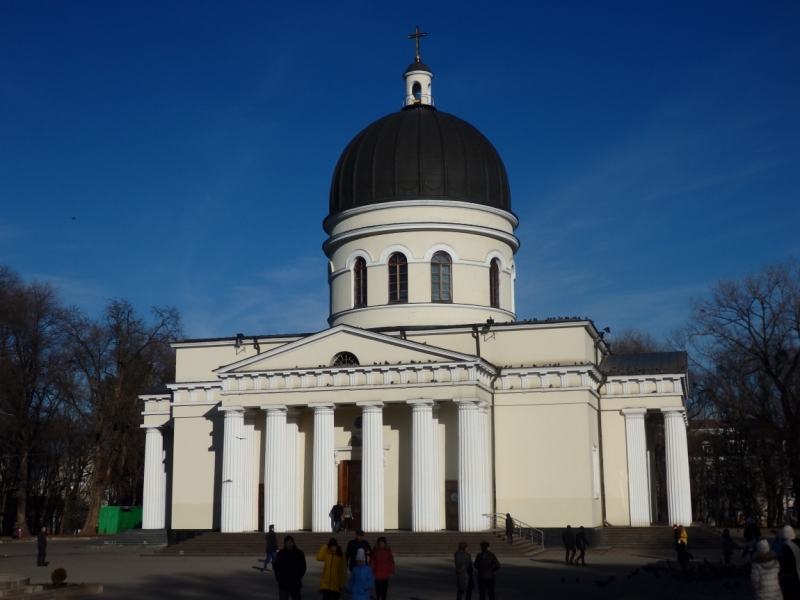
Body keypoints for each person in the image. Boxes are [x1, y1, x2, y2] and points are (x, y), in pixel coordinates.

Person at [274, 535, 307, 600]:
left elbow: (303, 567)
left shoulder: (299, 553)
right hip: (283, 584)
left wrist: (298, 578)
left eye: (291, 542)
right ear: (285, 544)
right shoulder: (281, 554)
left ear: (293, 543)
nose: (289, 544)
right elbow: (277, 567)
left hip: (295, 584)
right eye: (287, 542)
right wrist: (279, 579)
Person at [369, 536, 395, 600]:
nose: (381, 545)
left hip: (385, 571)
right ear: (378, 544)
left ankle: (384, 598)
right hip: (377, 571)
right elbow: (371, 560)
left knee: (385, 587)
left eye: (382, 543)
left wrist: (392, 569)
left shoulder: (388, 551)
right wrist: (370, 570)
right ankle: (378, 597)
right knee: (378, 587)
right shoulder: (375, 551)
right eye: (380, 543)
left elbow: (391, 560)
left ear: (385, 544)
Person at [779, 524, 800, 598]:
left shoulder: (786, 547)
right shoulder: (798, 542)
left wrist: (782, 577)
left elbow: (787, 567)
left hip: (793, 580)